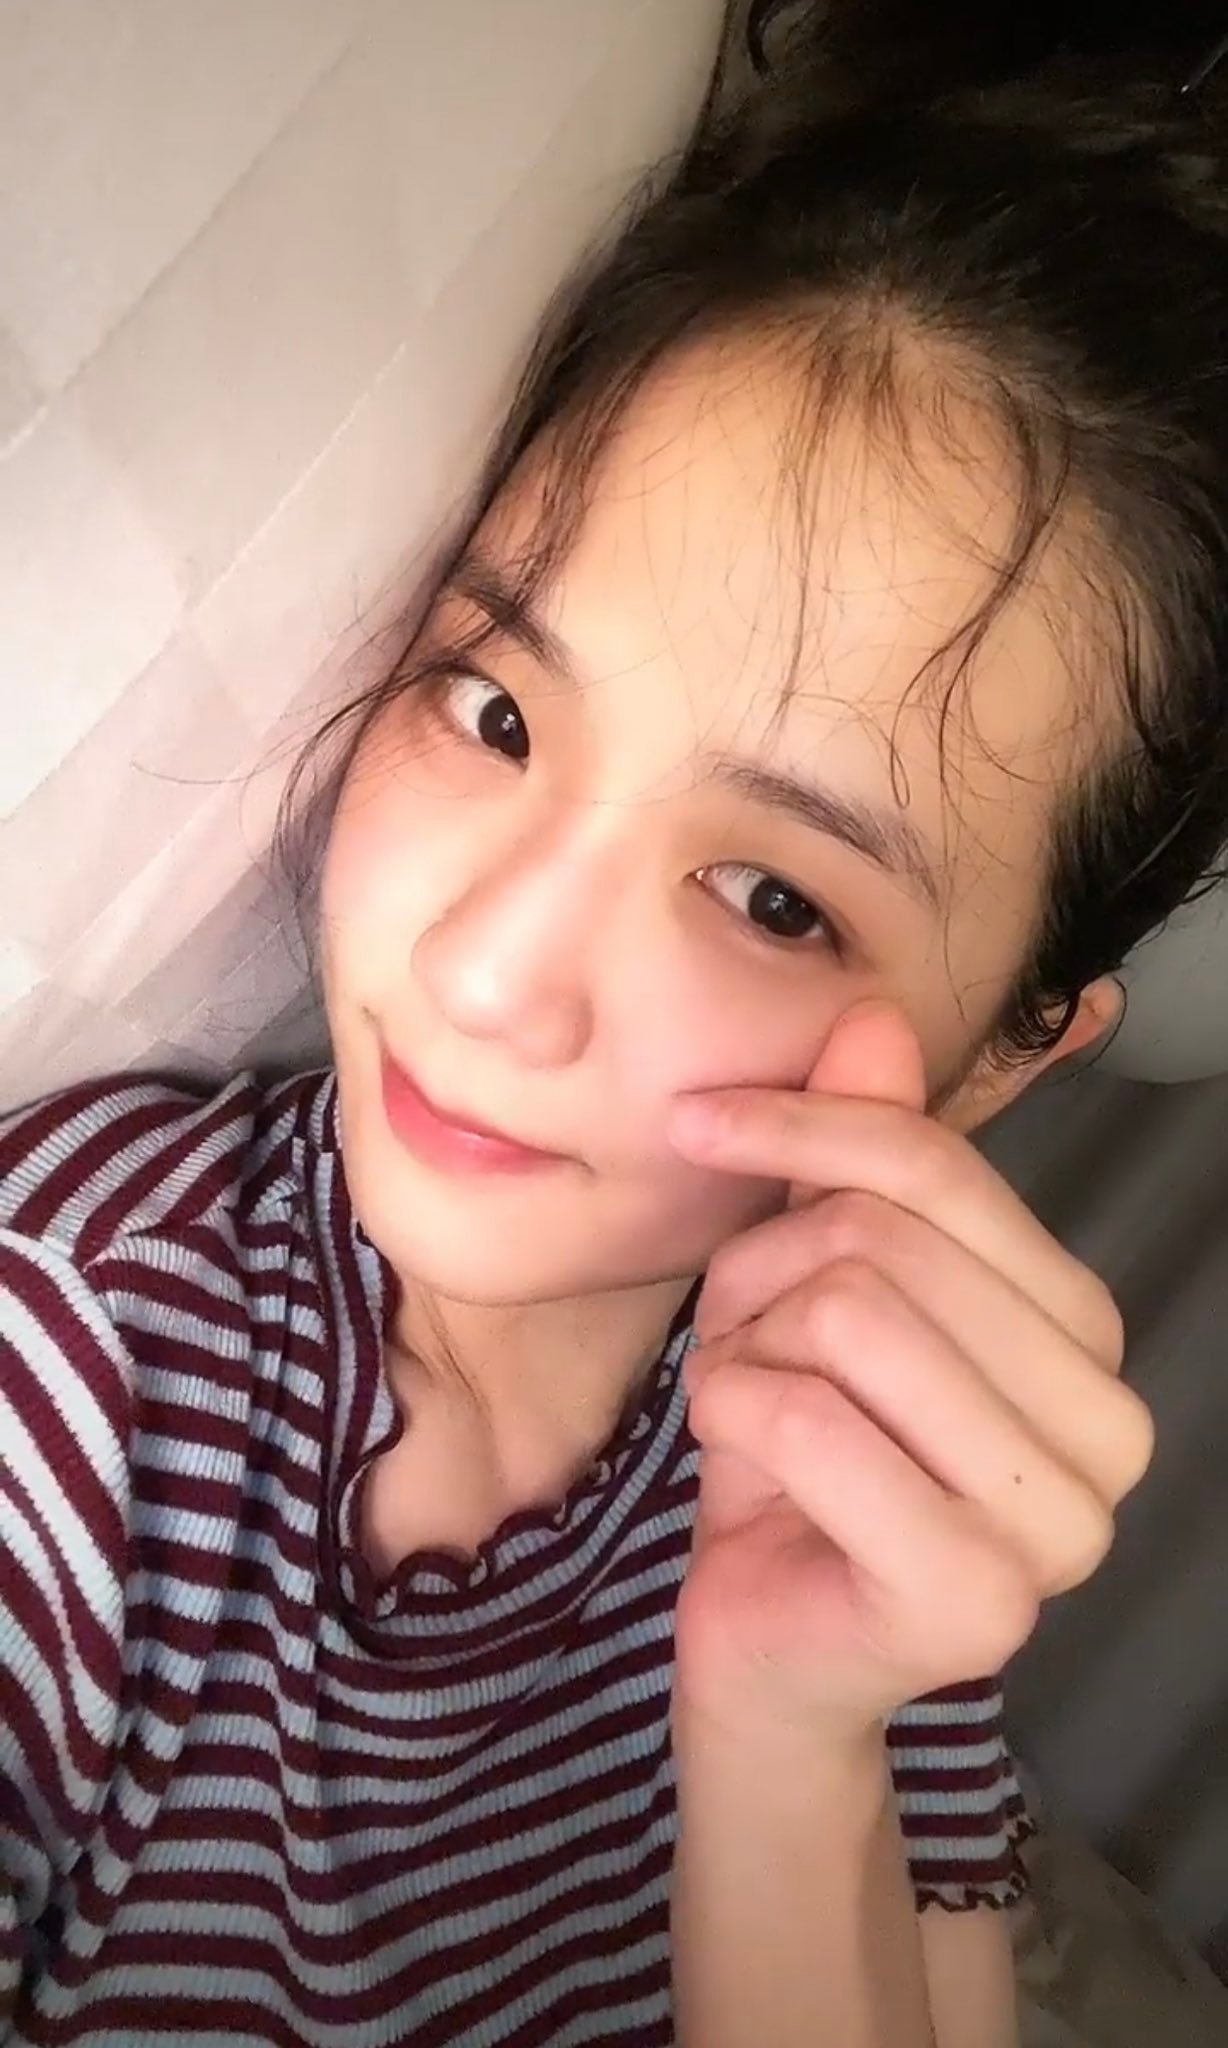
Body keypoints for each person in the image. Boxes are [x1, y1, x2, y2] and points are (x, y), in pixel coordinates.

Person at [3, 5, 1227, 2043]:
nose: (487, 974)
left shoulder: (865, 1460)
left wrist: (782, 1738)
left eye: (775, 899)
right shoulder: (81, 1372)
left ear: (1006, 1053)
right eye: (492, 708)